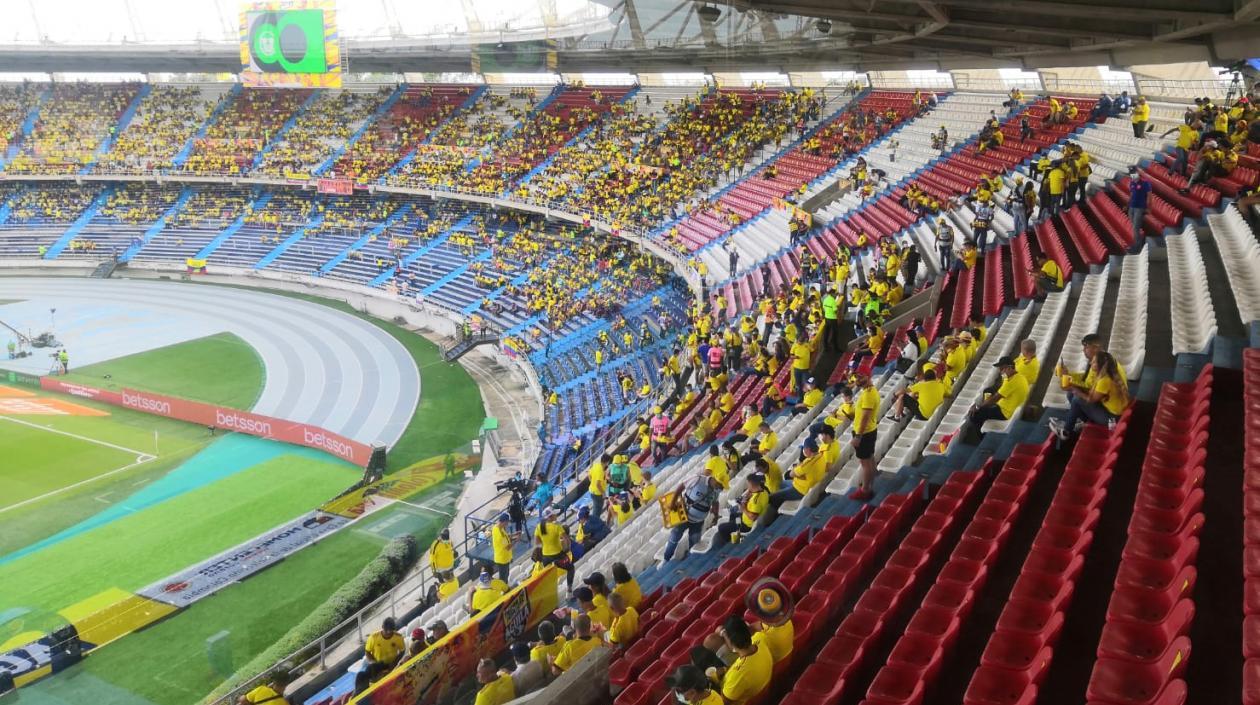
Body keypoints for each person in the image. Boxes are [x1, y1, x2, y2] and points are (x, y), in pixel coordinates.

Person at [1049, 351, 1130, 441]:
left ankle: (1066, 431)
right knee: (1072, 394)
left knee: (1076, 399)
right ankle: (1080, 421)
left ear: (1100, 365)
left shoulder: (1105, 380)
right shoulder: (1103, 374)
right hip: (1107, 411)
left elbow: (1090, 399)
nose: (1091, 363)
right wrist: (1071, 384)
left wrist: (1073, 389)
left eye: (1094, 362)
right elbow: (1090, 391)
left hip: (1111, 419)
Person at [696, 616, 774, 705]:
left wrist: (716, 682)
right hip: (757, 683)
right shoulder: (761, 639)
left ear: (731, 644)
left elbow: (724, 702)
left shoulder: (737, 676)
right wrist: (725, 670)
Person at [965, 356, 1030, 438]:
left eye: (1002, 369)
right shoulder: (1018, 376)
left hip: (1005, 412)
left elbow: (995, 399)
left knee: (973, 416)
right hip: (1008, 404)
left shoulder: (1011, 382)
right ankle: (984, 410)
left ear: (1009, 367)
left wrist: (978, 407)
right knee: (988, 391)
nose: (1000, 371)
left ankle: (983, 437)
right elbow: (1002, 389)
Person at [663, 474, 721, 561]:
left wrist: (716, 516)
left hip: (698, 522)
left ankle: (689, 561)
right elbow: (681, 486)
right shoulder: (697, 479)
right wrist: (672, 502)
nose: (720, 488)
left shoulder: (717, 489)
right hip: (684, 517)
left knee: (694, 543)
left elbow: (715, 502)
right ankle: (666, 558)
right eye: (719, 485)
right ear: (715, 480)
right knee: (674, 538)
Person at [848, 370, 881, 500]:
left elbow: (865, 417)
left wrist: (858, 437)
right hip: (870, 430)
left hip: (864, 433)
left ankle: (865, 490)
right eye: (857, 377)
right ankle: (870, 484)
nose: (858, 379)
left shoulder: (868, 395)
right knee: (870, 459)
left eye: (861, 376)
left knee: (865, 463)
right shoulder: (869, 391)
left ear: (868, 376)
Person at [769, 437, 826, 509]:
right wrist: (800, 474)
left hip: (800, 490)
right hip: (802, 484)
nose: (803, 450)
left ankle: (776, 513)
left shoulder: (808, 464)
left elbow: (791, 474)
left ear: (808, 449)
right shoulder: (820, 456)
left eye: (803, 449)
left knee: (772, 497)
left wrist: (797, 470)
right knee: (780, 483)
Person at [716, 472, 768, 546]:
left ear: (752, 485)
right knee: (733, 515)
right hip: (744, 518)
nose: (747, 486)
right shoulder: (763, 491)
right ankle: (735, 532)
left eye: (748, 484)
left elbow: (753, 517)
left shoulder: (756, 500)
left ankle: (730, 544)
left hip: (746, 525)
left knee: (721, 527)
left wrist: (743, 508)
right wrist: (748, 494)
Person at [534, 508, 573, 592]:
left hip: (546, 557)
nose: (556, 515)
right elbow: (567, 540)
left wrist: (546, 543)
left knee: (549, 576)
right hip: (558, 555)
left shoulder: (539, 527)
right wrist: (566, 549)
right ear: (551, 516)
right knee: (570, 568)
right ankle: (569, 589)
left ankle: (550, 593)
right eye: (555, 514)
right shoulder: (556, 527)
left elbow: (537, 542)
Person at [360, 618, 406, 688]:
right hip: (377, 667)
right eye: (386, 630)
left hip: (391, 665)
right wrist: (373, 662)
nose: (388, 632)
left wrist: (395, 662)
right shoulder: (373, 637)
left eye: (391, 631)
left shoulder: (398, 638)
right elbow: (367, 651)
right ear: (382, 627)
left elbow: (402, 651)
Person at [1126, 167, 1152, 250]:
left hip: (1139, 208)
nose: (1133, 175)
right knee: (1134, 227)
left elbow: (1149, 196)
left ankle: (1137, 246)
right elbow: (1131, 195)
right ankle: (1139, 242)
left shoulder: (1145, 183)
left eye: (1134, 172)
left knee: (1135, 228)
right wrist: (1127, 205)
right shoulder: (1132, 183)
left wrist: (1149, 208)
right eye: (1131, 173)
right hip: (1132, 207)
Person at [490, 513, 515, 583]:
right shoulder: (499, 534)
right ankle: (505, 591)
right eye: (507, 522)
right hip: (502, 559)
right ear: (504, 522)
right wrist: (516, 540)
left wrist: (514, 534)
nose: (507, 524)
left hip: (505, 557)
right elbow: (508, 547)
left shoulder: (498, 528)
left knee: (506, 575)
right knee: (504, 578)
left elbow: (506, 536)